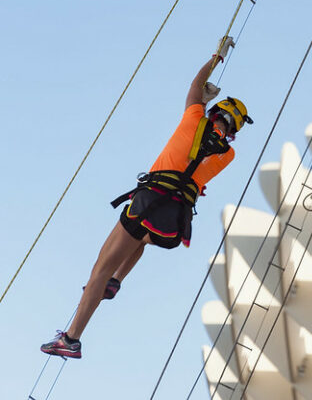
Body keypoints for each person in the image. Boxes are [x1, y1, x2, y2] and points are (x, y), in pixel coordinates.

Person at [40, 54, 252, 359]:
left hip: (149, 202)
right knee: (141, 238)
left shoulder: (193, 119)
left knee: (98, 270)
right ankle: (116, 281)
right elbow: (201, 159)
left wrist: (214, 60)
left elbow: (195, 84)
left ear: (215, 110)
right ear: (234, 130)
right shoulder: (227, 156)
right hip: (173, 222)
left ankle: (71, 338)